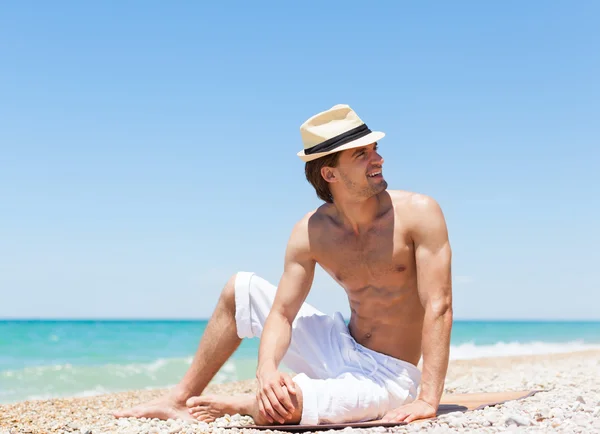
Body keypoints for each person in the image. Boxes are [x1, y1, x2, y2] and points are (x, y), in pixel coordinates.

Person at [114, 104, 453, 426]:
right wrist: (266, 370)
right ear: (330, 172)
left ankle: (244, 405)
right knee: (240, 289)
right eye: (361, 154)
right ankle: (180, 398)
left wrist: (427, 399)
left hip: (388, 374)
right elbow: (280, 314)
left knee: (284, 409)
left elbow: (439, 305)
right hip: (339, 346)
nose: (378, 159)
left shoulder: (418, 213)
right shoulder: (310, 232)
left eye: (374, 149)